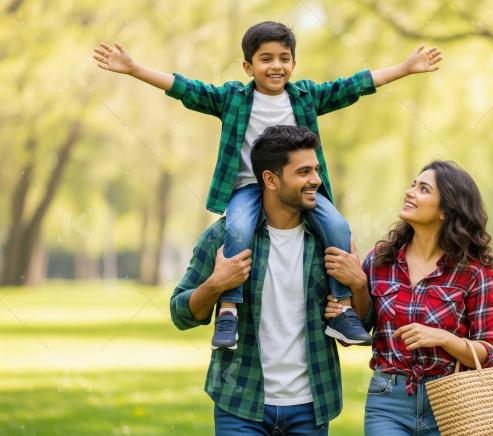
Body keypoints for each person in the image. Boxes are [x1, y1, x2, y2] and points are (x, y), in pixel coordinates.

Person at [93, 21, 443, 349]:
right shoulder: (233, 99)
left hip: (298, 188)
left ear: (294, 63)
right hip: (249, 188)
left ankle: (340, 308)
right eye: (266, 59)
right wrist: (134, 69)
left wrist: (405, 68)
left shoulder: (305, 97)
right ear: (248, 67)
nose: (276, 66)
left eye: (284, 58)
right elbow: (187, 89)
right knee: (238, 230)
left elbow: (353, 86)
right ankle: (228, 311)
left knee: (338, 226)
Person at [170, 125, 359, 434]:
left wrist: (359, 283)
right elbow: (180, 314)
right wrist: (216, 284)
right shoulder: (224, 238)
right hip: (240, 402)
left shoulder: (329, 240)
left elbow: (358, 326)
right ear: (271, 179)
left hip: (311, 406)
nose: (316, 180)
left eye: (316, 170)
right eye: (303, 172)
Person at [323, 160, 493, 435]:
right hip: (388, 401)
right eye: (412, 185)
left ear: (446, 211)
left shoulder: (473, 273)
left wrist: (444, 338)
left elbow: (491, 354)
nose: (410, 192)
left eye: (423, 189)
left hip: (451, 403)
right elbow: (353, 333)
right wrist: (358, 286)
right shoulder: (380, 260)